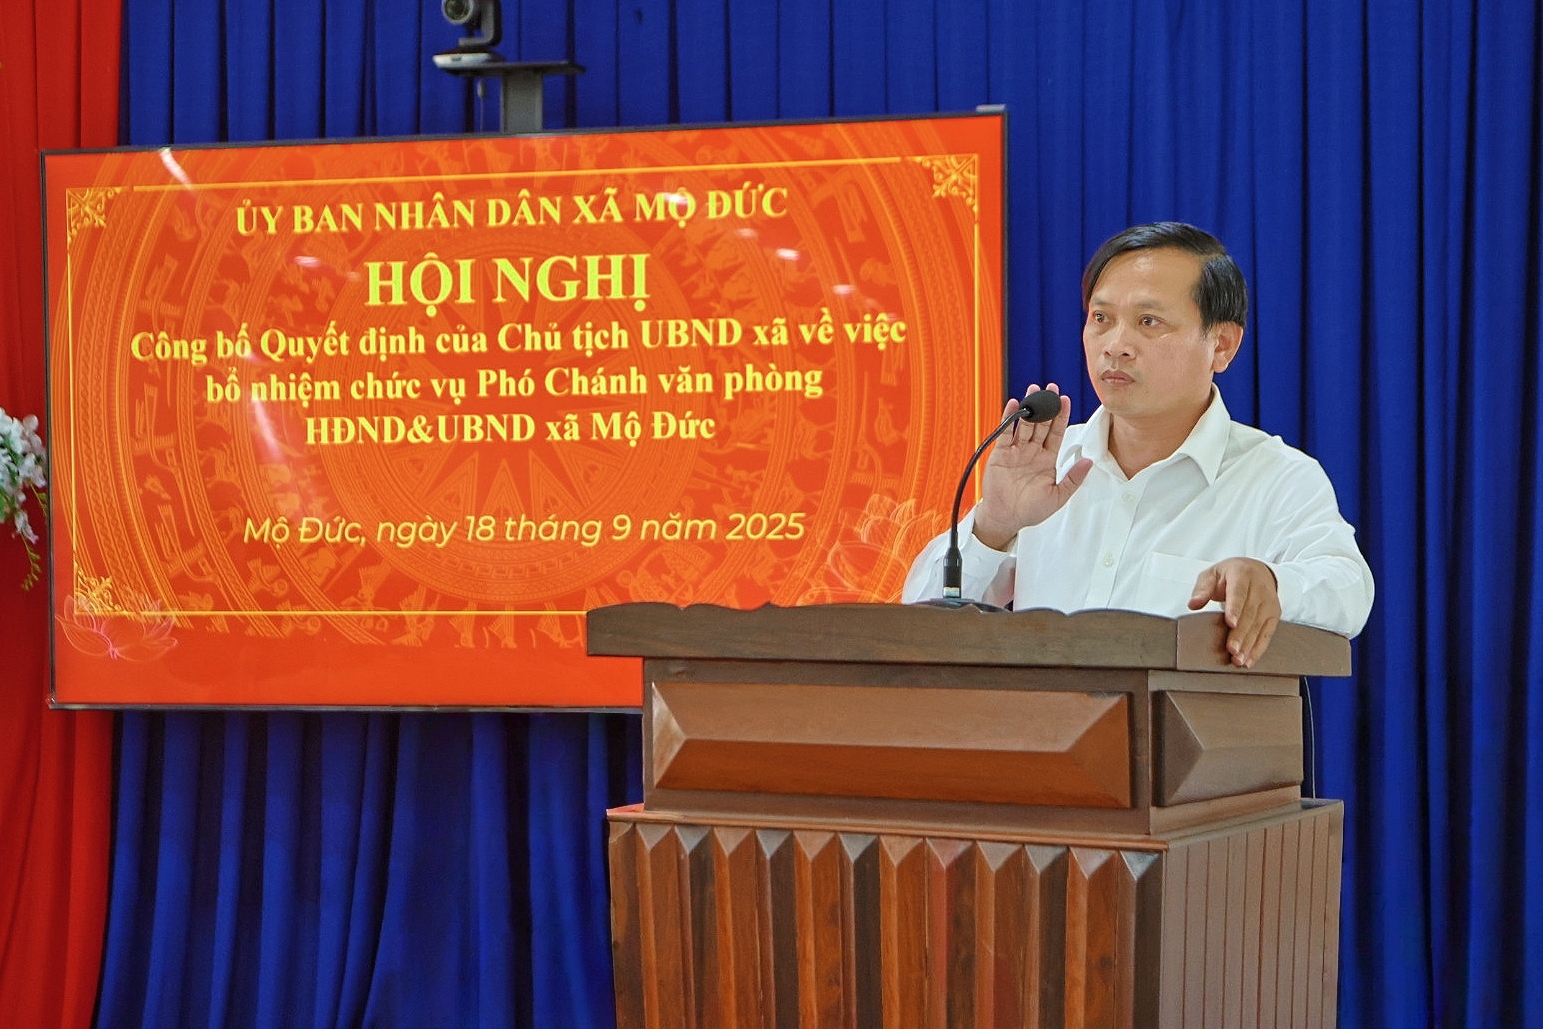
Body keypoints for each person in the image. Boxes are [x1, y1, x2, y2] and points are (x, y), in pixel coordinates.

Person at [902, 222, 1374, 667]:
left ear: (1222, 345)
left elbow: (1348, 590)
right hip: (1040, 726)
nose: (1115, 345)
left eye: (1149, 321)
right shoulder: (1051, 464)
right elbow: (918, 624)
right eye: (1101, 318)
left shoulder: (1275, 477)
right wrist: (995, 524)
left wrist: (1270, 582)